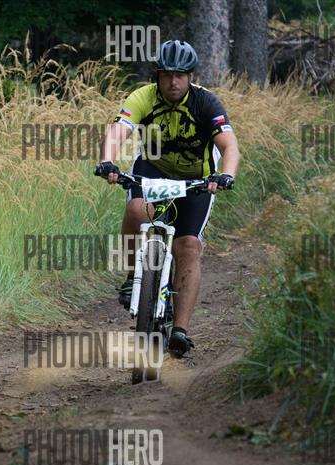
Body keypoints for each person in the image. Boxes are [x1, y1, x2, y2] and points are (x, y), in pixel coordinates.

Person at [94, 39, 240, 357]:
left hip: (196, 181)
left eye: (181, 75)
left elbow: (229, 145)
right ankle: (133, 277)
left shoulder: (206, 102)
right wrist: (107, 161)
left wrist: (226, 175)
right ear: (157, 75)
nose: (174, 82)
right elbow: (118, 131)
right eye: (167, 75)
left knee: (188, 247)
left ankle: (180, 330)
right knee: (136, 210)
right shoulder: (143, 97)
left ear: (190, 77)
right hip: (152, 171)